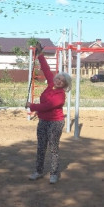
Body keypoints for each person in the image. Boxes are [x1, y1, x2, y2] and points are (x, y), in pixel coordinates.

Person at [25, 47, 71, 184]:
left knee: (53, 148)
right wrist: (40, 55)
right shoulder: (51, 84)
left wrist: (31, 106)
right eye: (58, 78)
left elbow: (47, 106)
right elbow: (46, 69)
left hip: (55, 123)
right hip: (43, 120)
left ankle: (54, 173)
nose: (58, 81)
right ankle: (38, 171)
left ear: (65, 84)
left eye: (61, 81)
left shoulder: (60, 96)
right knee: (41, 147)